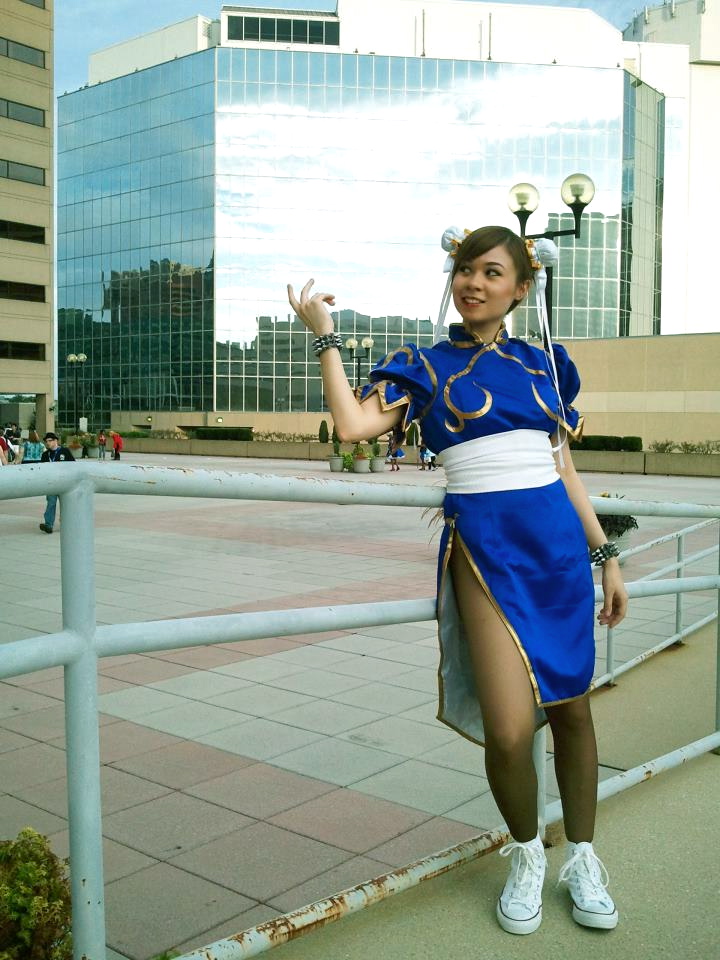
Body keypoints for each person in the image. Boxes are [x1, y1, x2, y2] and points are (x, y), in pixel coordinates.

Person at [288, 225, 627, 937]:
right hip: (484, 550)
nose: (474, 282)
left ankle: (584, 859)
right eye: (466, 269)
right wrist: (324, 335)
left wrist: (605, 556)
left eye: (492, 272)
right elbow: (351, 427)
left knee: (573, 709)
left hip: (558, 553)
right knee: (509, 729)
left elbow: (564, 469)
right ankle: (526, 853)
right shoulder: (424, 365)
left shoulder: (546, 364)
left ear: (521, 287)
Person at [39, 432, 75, 533]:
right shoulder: (45, 455)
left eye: (50, 441)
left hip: (64, 483)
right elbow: (42, 469)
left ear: (56, 441)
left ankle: (67, 523)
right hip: (51, 484)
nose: (48, 443)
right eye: (46, 441)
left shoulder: (65, 451)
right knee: (51, 503)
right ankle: (48, 525)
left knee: (66, 504)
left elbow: (73, 465)